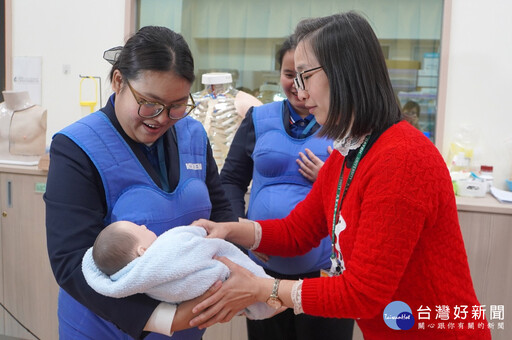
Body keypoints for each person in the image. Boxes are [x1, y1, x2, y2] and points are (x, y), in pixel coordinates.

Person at [188, 12, 492, 340]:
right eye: (294, 78)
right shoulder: (349, 153)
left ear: (344, 73)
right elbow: (298, 232)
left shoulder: (401, 159)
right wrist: (231, 229)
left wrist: (264, 289)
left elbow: (363, 294)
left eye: (305, 76)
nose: (300, 94)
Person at [44, 26, 236, 340]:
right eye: (150, 102)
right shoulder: (77, 147)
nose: (161, 118)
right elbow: (70, 262)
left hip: (189, 323)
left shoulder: (193, 134)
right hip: (107, 327)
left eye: (177, 105)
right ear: (119, 81)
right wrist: (164, 319)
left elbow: (221, 211)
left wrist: (236, 273)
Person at [220, 34, 353, 340]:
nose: (297, 84)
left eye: (305, 76)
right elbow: (230, 180)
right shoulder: (257, 118)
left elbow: (364, 195)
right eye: (289, 74)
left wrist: (330, 179)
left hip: (324, 273)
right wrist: (243, 237)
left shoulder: (346, 124)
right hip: (262, 270)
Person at [82, 221, 277, 320]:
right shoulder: (167, 248)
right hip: (224, 275)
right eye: (138, 228)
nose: (143, 225)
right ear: (143, 251)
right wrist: (198, 232)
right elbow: (192, 239)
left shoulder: (145, 284)